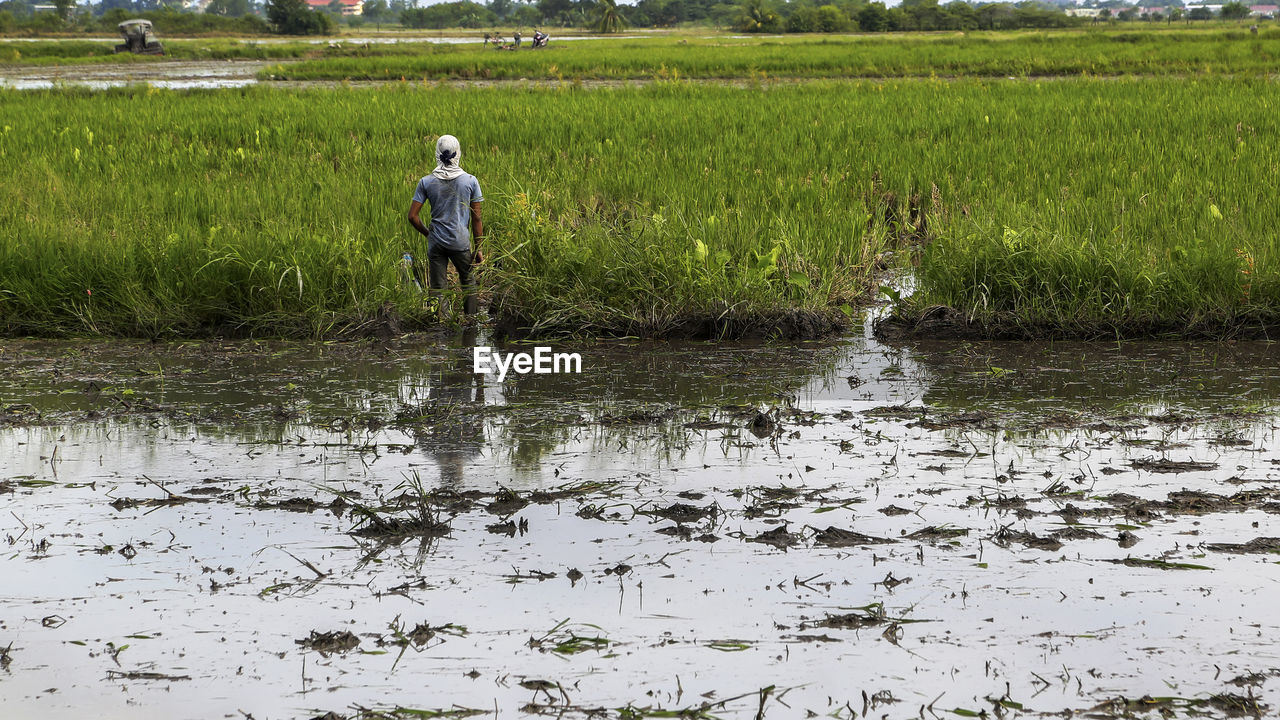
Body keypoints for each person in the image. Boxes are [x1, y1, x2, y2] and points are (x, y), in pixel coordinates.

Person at [408, 135, 484, 316]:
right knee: (468, 281)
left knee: (438, 288)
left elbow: (412, 216)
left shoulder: (426, 182)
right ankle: (471, 322)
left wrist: (429, 234)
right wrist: (479, 248)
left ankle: (441, 327)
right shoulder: (471, 181)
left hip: (436, 243)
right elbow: (477, 219)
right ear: (458, 154)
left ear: (437, 153)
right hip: (460, 241)